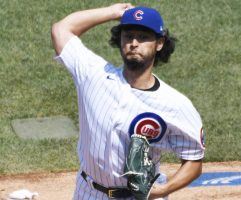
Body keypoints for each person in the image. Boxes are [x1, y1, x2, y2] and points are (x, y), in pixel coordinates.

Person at [51, 3, 205, 200]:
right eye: (128, 35)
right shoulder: (93, 75)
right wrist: (114, 12)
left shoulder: (175, 104)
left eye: (143, 37)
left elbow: (193, 160)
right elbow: (61, 29)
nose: (134, 43)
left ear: (159, 43)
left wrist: (161, 191)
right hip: (88, 192)